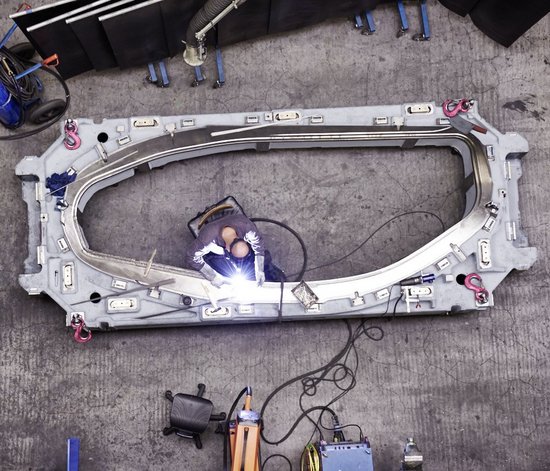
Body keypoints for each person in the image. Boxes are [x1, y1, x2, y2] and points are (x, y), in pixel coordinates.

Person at [187, 214, 282, 287]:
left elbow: (258, 244)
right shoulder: (206, 240)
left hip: (234, 222)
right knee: (220, 267)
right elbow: (190, 257)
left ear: (242, 239)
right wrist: (213, 276)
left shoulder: (247, 227)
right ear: (227, 249)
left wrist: (260, 270)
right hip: (213, 243)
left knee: (262, 260)